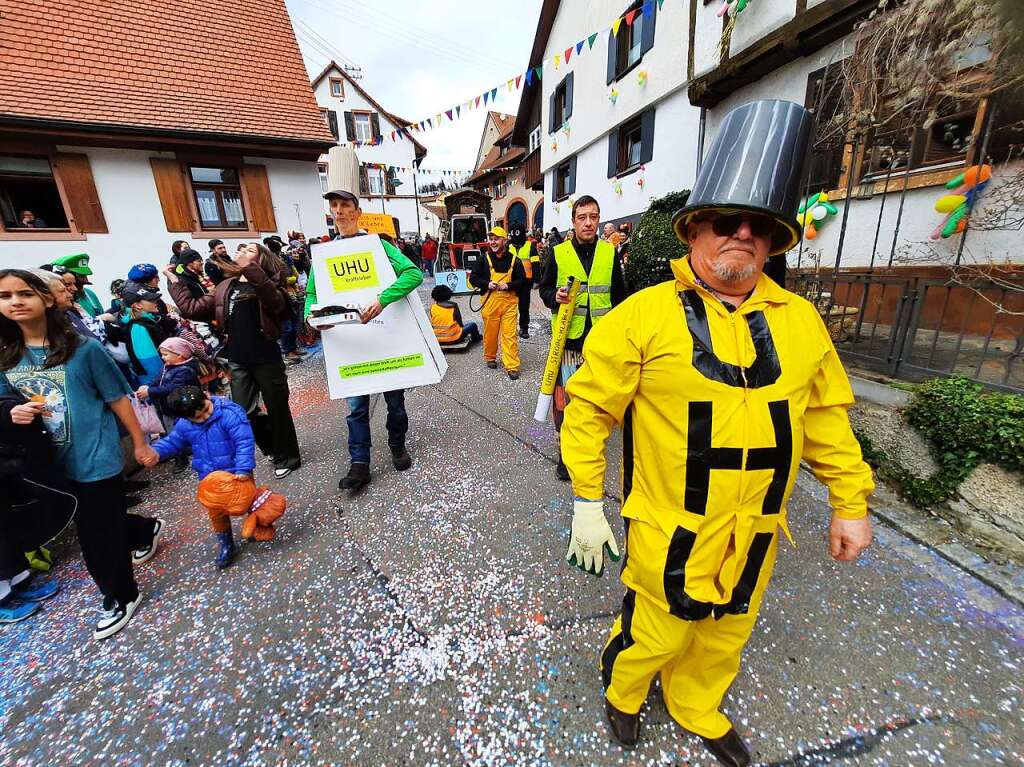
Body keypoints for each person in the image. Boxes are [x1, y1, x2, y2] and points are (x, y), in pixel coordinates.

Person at [561, 100, 875, 767]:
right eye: (726, 221)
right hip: (669, 526)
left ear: (773, 242)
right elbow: (587, 408)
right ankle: (624, 688)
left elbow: (824, 421)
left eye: (758, 226)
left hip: (756, 530)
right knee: (657, 629)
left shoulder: (800, 324)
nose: (741, 234)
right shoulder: (642, 316)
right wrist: (587, 500)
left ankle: (696, 704)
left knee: (726, 632)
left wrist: (850, 501)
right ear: (695, 230)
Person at [0, 269, 164, 640]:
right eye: (5, 296)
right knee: (97, 522)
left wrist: (140, 443)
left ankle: (121, 595)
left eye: (23, 293)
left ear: (46, 298)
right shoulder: (6, 356)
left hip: (94, 454)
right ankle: (143, 529)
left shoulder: (83, 350)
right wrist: (11, 411)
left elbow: (117, 399)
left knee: (95, 536)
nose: (15, 302)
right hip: (46, 464)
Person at [304, 179, 423, 492]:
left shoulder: (378, 246)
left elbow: (413, 273)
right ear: (331, 212)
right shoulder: (324, 254)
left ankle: (397, 445)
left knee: (395, 403)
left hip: (385, 341)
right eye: (335, 206)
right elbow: (312, 293)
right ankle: (360, 463)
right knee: (356, 408)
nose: (340, 211)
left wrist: (382, 299)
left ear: (358, 211)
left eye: (345, 205)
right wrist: (311, 317)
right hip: (351, 346)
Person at [165, 244, 301, 479]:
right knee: (243, 412)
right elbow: (191, 308)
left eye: (250, 249)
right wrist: (174, 281)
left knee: (278, 409)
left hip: (267, 357)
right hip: (238, 359)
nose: (242, 250)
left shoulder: (270, 281)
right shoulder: (227, 285)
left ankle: (287, 456)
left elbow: (276, 304)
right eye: (242, 249)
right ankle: (272, 446)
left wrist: (250, 268)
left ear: (260, 259)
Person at [539, 195, 627, 480]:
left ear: (598, 220)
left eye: (593, 216)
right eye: (582, 217)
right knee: (564, 401)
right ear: (574, 221)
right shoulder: (558, 252)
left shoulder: (609, 252)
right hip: (569, 340)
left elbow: (620, 296)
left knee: (595, 401)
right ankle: (565, 455)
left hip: (600, 342)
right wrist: (556, 297)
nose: (588, 222)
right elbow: (544, 291)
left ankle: (588, 451)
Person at [147, 387, 256, 569]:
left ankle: (255, 525)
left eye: (206, 409)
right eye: (197, 417)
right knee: (216, 512)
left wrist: (243, 468)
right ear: (186, 418)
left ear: (206, 396)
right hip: (210, 477)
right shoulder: (184, 425)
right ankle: (226, 543)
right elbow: (174, 442)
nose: (205, 417)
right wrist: (156, 452)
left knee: (249, 500)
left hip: (236, 472)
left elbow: (244, 441)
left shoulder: (229, 414)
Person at [469, 226, 525, 380]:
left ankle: (512, 366)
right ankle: (490, 357)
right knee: (490, 333)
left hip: (509, 304)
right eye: (491, 239)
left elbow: (522, 281)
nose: (492, 242)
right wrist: (487, 284)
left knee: (509, 335)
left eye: (496, 239)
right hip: (490, 303)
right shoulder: (483, 259)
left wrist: (509, 285)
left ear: (504, 241)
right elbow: (473, 278)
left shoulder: (515, 260)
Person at [119, 283, 170, 387]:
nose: (155, 302)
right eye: (150, 300)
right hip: (161, 384)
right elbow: (152, 364)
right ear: (138, 305)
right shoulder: (138, 328)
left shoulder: (147, 322)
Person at [508, 225, 540, 339]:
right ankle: (510, 328)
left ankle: (524, 328)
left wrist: (537, 280)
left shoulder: (530, 246)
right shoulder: (508, 246)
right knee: (509, 307)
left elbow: (536, 264)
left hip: (526, 282)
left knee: (524, 307)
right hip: (510, 282)